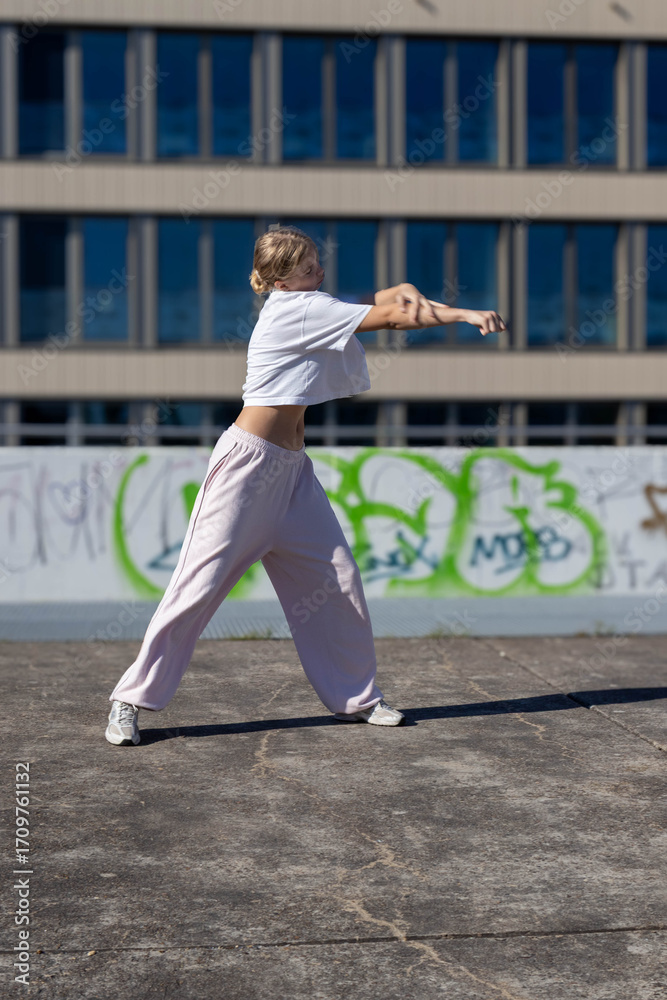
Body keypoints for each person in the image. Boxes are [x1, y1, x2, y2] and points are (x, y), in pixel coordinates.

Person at [106, 226, 506, 745]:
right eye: (309, 265)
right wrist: (464, 313)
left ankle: (358, 698)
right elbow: (392, 316)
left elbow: (376, 300)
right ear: (281, 278)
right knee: (196, 587)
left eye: (318, 261)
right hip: (246, 472)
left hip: (292, 473)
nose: (320, 270)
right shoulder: (296, 311)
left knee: (336, 580)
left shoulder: (309, 302)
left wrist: (400, 288)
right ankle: (128, 701)